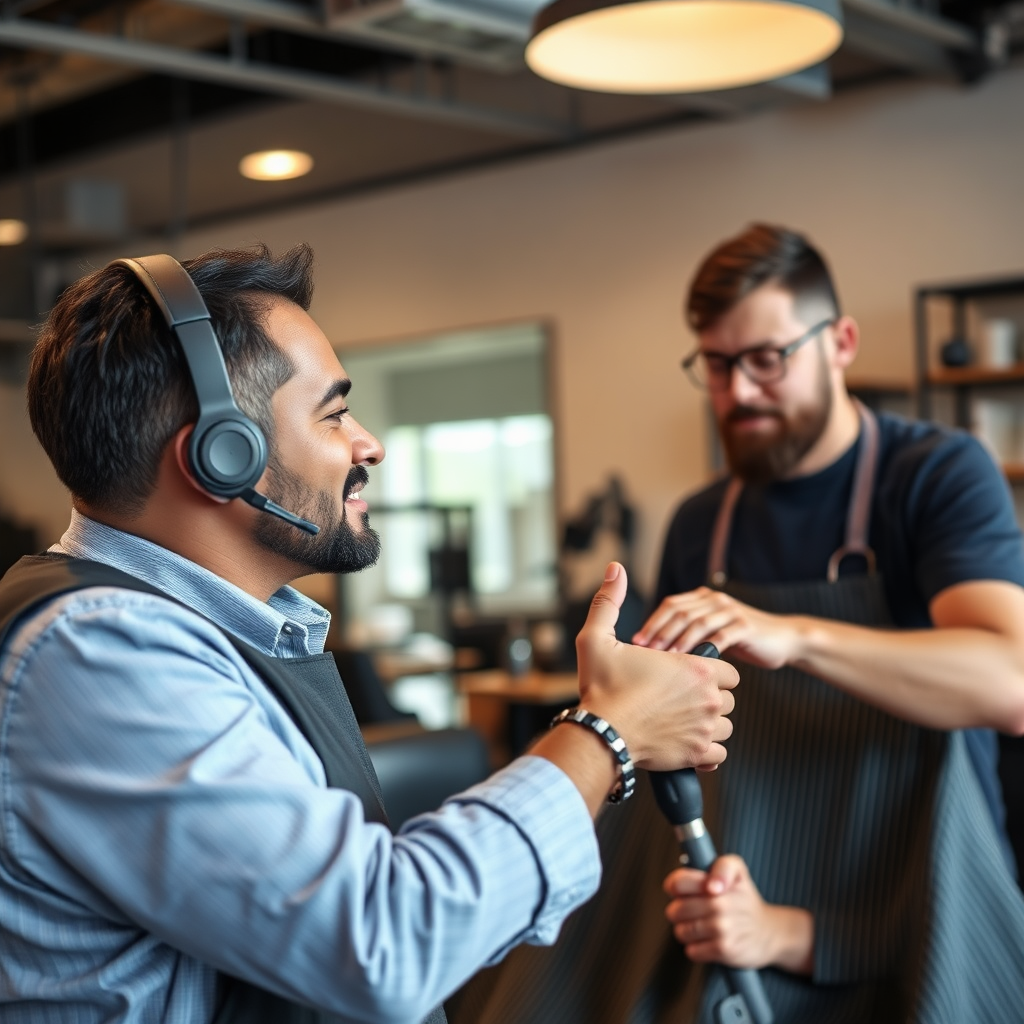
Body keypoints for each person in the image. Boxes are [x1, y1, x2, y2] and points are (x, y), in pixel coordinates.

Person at [0, 243, 739, 1024]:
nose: (369, 443)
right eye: (334, 412)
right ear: (223, 456)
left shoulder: (199, 637)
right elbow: (382, 942)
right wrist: (606, 735)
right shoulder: (96, 653)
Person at [631, 223, 1024, 1023]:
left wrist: (798, 635)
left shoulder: (936, 477)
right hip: (743, 919)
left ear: (839, 342)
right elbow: (667, 734)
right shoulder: (698, 525)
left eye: (767, 360)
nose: (737, 392)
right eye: (716, 363)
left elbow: (1010, 679)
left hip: (923, 928)